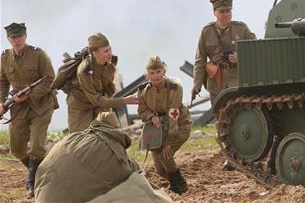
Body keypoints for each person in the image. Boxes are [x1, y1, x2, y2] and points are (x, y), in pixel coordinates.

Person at [35, 111, 172, 203]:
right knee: (136, 186)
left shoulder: (72, 138)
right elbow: (130, 174)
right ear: (115, 129)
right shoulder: (109, 148)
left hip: (42, 197)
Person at [0, 22, 57, 196]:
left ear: (25, 36)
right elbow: (2, 81)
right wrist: (1, 102)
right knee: (16, 148)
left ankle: (31, 181)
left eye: (19, 37)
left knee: (37, 144)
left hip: (42, 104)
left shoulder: (39, 55)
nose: (16, 40)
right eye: (12, 37)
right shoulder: (4, 57)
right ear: (8, 39)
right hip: (18, 106)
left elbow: (50, 79)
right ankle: (41, 172)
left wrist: (30, 95)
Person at [138, 56, 191, 194]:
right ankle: (178, 182)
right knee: (159, 168)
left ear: (164, 71)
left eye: (159, 71)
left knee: (165, 156)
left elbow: (174, 114)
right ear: (147, 74)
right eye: (152, 72)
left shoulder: (175, 87)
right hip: (158, 129)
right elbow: (142, 111)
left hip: (179, 125)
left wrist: (169, 142)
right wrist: (151, 116)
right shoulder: (143, 91)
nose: (156, 76)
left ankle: (179, 187)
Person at [67, 33, 139, 132]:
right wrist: (123, 100)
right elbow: (95, 99)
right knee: (81, 140)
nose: (110, 53)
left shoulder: (111, 63)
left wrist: (109, 102)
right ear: (95, 54)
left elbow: (109, 88)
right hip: (81, 107)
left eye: (110, 49)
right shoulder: (84, 71)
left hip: (102, 103)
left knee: (113, 134)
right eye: (106, 51)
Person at [192, 0, 256, 102]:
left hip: (238, 81)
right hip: (216, 83)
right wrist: (197, 84)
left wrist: (241, 56)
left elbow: (255, 50)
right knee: (219, 115)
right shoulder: (206, 32)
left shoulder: (241, 29)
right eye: (222, 11)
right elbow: (200, 61)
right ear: (214, 13)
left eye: (228, 11)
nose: (226, 14)